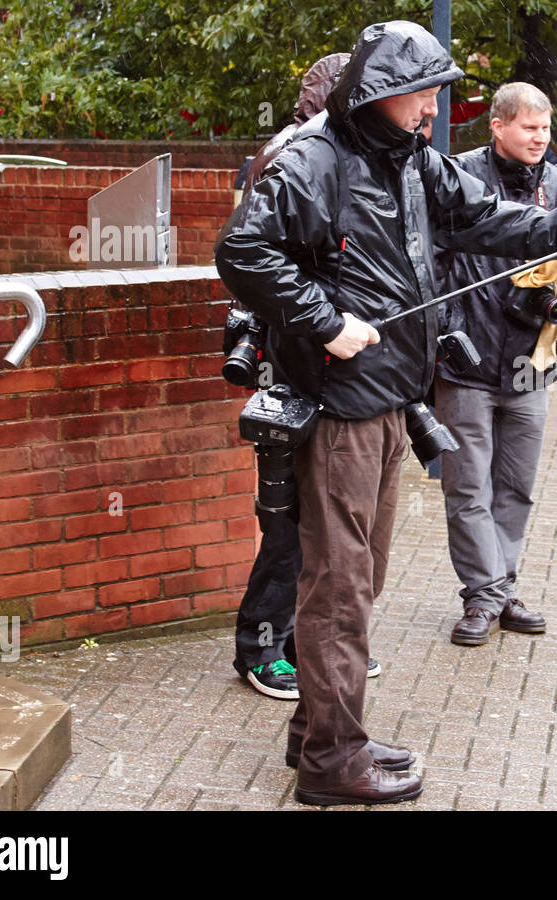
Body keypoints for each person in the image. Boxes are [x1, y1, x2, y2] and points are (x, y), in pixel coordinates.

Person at [216, 20, 557, 806]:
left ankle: (320, 734)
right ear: (382, 92)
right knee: (340, 584)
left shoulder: (414, 163)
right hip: (340, 405)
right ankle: (330, 762)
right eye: (421, 94)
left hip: (391, 398)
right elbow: (245, 252)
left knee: (363, 576)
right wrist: (325, 322)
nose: (430, 109)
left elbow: (489, 218)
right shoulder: (317, 160)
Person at [228, 52, 394, 701]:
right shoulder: (296, 155)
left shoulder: (337, 153)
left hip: (331, 360)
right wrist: (323, 322)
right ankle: (262, 647)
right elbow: (256, 259)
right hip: (297, 358)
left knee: (326, 518)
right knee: (291, 514)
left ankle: (314, 641)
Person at [432, 82, 557, 646]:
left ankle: (500, 586)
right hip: (466, 364)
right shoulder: (459, 179)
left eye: (546, 128)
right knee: (467, 488)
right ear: (497, 126)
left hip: (529, 366)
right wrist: (448, 334)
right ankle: (483, 595)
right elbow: (432, 264)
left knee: (516, 487)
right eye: (529, 127)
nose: (540, 137)